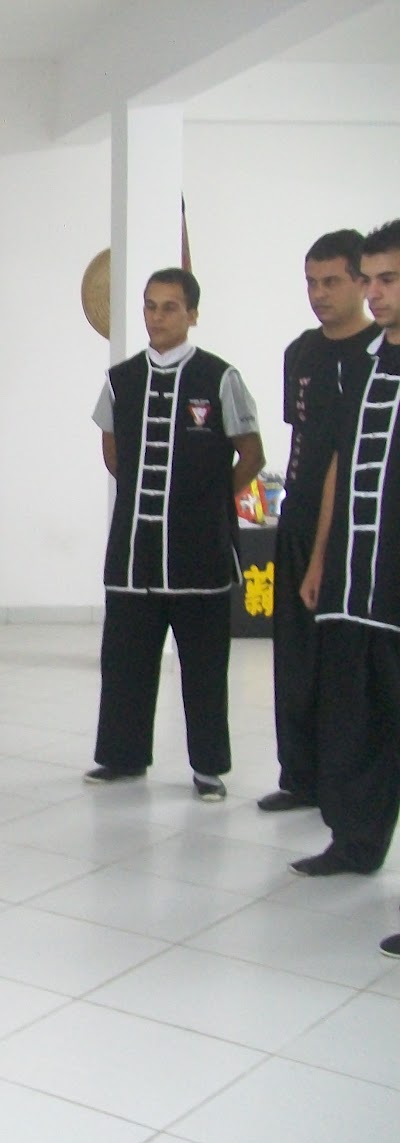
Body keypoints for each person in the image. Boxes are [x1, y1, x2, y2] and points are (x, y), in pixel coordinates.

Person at [84, 267, 265, 801]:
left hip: (200, 553)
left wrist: (211, 498)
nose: (157, 317)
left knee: (204, 666)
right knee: (125, 661)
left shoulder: (220, 377)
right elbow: (112, 451)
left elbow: (252, 454)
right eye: (150, 306)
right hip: (133, 551)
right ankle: (122, 757)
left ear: (192, 314)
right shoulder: (120, 379)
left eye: (169, 307)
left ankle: (208, 768)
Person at [257, 231, 377, 814]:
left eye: (331, 281)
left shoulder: (380, 352)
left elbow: (348, 456)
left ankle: (343, 782)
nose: (319, 293)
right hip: (299, 519)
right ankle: (299, 776)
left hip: (358, 528)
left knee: (345, 660)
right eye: (311, 282)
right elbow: (302, 437)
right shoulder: (301, 352)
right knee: (295, 653)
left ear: (361, 281)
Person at [297, 218, 400, 884]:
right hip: (353, 582)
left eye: (388, 279)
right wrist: (319, 560)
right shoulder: (360, 366)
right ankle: (355, 843)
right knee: (353, 723)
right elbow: (340, 463)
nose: (375, 292)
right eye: (370, 279)